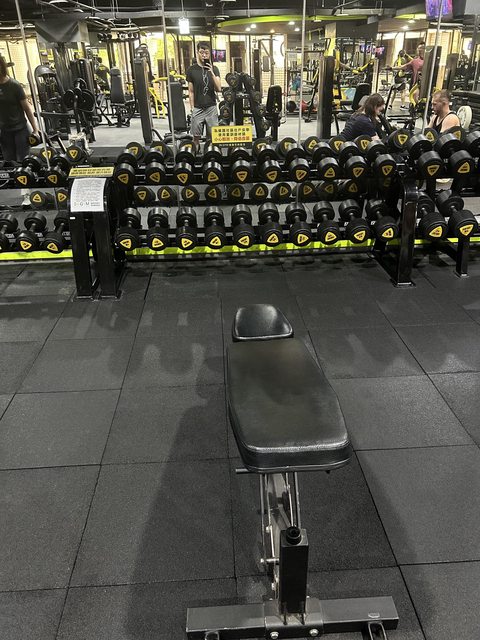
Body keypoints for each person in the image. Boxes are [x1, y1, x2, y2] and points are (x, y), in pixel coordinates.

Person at [0, 55, 39, 206]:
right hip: (4, 131)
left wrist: (35, 129)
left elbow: (27, 109)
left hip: (20, 129)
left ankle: (26, 194)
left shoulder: (14, 85)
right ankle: (17, 188)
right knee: (10, 162)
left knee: (23, 161)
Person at [186, 42, 221, 148]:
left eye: (206, 53)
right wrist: (192, 108)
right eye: (202, 52)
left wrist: (212, 73)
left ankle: (212, 155)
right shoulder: (191, 70)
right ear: (197, 53)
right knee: (196, 137)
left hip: (211, 107)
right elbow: (191, 91)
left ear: (209, 54)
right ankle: (195, 154)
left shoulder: (214, 69)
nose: (204, 55)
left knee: (213, 137)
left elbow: (219, 88)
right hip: (197, 108)